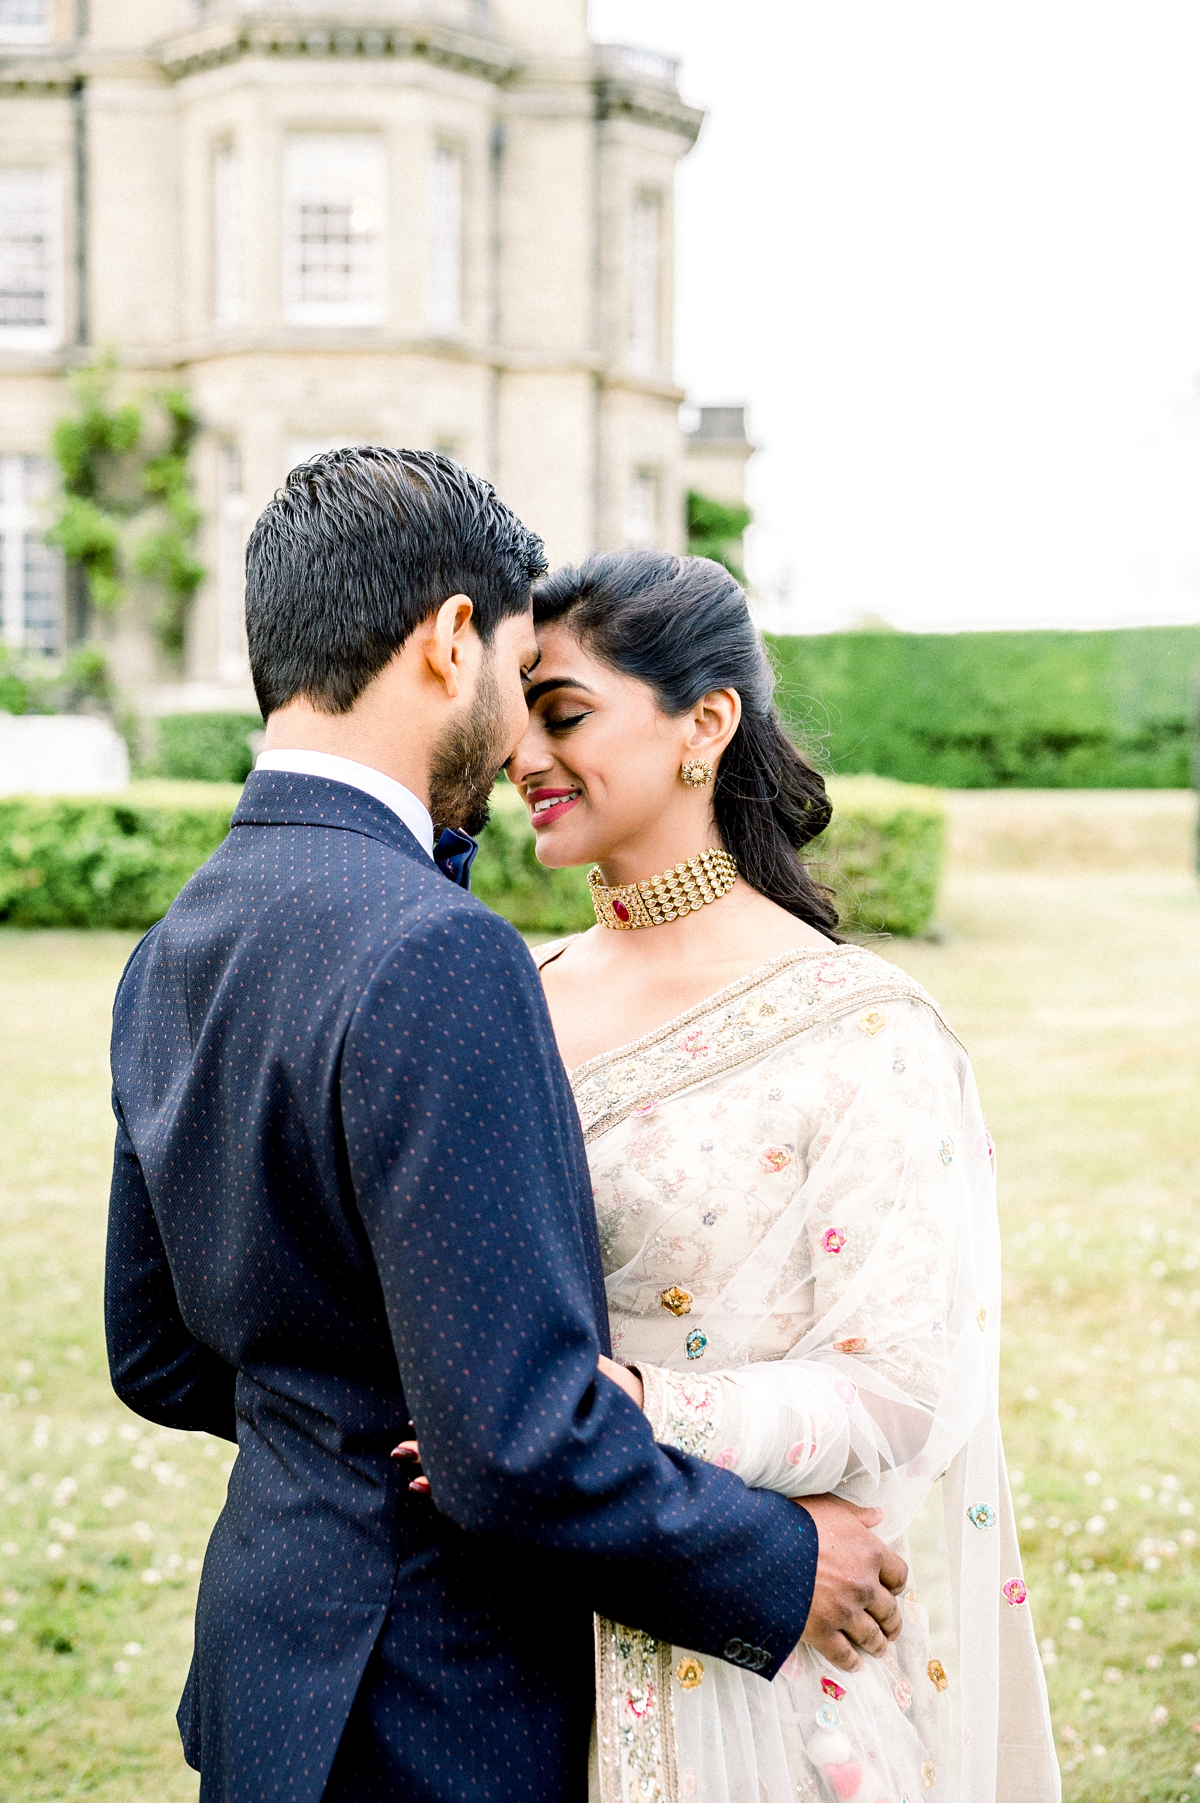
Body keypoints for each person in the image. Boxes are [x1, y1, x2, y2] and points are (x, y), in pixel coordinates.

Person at [104, 450, 909, 1803]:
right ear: (452, 638)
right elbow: (513, 1446)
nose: (523, 734)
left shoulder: (175, 941)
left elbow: (156, 1357)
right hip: (433, 1698)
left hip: (272, 1660)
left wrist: (339, 1420)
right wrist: (783, 1561)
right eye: (518, 669)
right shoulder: (440, 951)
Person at [508, 549, 1061, 1803]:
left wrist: (636, 1405)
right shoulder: (519, 994)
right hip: (519, 1642)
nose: (523, 760)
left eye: (566, 716)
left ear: (707, 723)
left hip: (766, 1672)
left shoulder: (858, 1029)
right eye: (515, 722)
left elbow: (904, 1394)